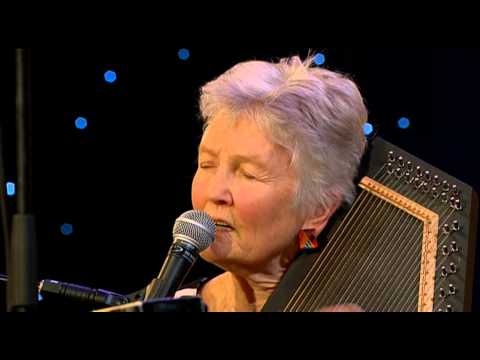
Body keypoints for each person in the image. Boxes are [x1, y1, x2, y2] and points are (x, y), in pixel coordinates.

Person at [141, 54, 368, 312]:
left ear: (318, 210)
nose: (215, 192)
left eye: (248, 173)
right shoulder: (176, 304)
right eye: (207, 165)